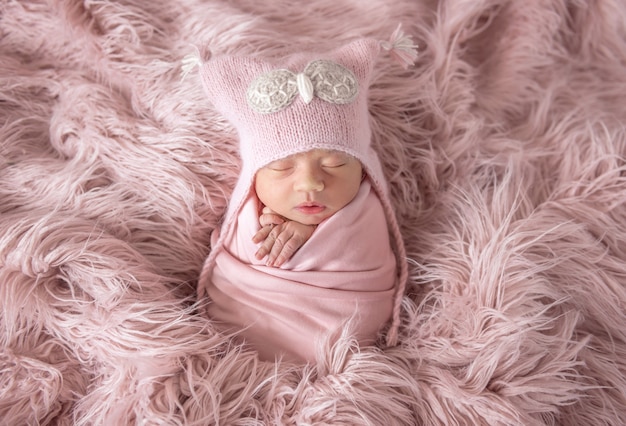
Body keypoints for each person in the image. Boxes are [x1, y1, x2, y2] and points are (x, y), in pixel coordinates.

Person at [186, 27, 416, 363]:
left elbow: (365, 252)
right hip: (240, 338)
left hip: (343, 343)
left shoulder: (367, 211)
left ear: (364, 169)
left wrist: (312, 236)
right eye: (281, 168)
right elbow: (246, 257)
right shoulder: (249, 213)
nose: (310, 184)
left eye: (335, 163)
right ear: (253, 178)